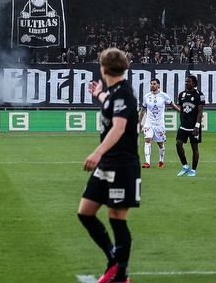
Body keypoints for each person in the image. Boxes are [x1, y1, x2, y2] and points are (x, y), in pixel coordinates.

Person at [79, 48, 140, 283]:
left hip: (122, 165)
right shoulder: (114, 92)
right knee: (86, 212)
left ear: (103, 69)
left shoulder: (124, 92)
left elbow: (118, 127)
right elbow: (109, 103)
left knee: (117, 217)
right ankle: (114, 258)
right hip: (107, 164)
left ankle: (122, 275)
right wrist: (99, 94)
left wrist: (97, 152)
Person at [138, 77, 179, 168]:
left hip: (159, 124)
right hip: (149, 123)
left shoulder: (163, 96)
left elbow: (172, 104)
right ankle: (147, 162)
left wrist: (180, 111)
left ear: (158, 85)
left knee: (160, 144)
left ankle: (161, 160)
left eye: (154, 84)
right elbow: (143, 110)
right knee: (148, 140)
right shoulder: (147, 96)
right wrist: (139, 122)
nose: (152, 85)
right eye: (151, 84)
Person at [175, 74, 205, 177]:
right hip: (184, 125)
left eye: (188, 82)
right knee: (178, 144)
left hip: (194, 126)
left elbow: (200, 111)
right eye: (186, 82)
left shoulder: (199, 95)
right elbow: (181, 110)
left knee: (194, 147)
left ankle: (193, 169)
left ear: (194, 83)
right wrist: (181, 122)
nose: (186, 83)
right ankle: (185, 166)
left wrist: (197, 125)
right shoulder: (182, 95)